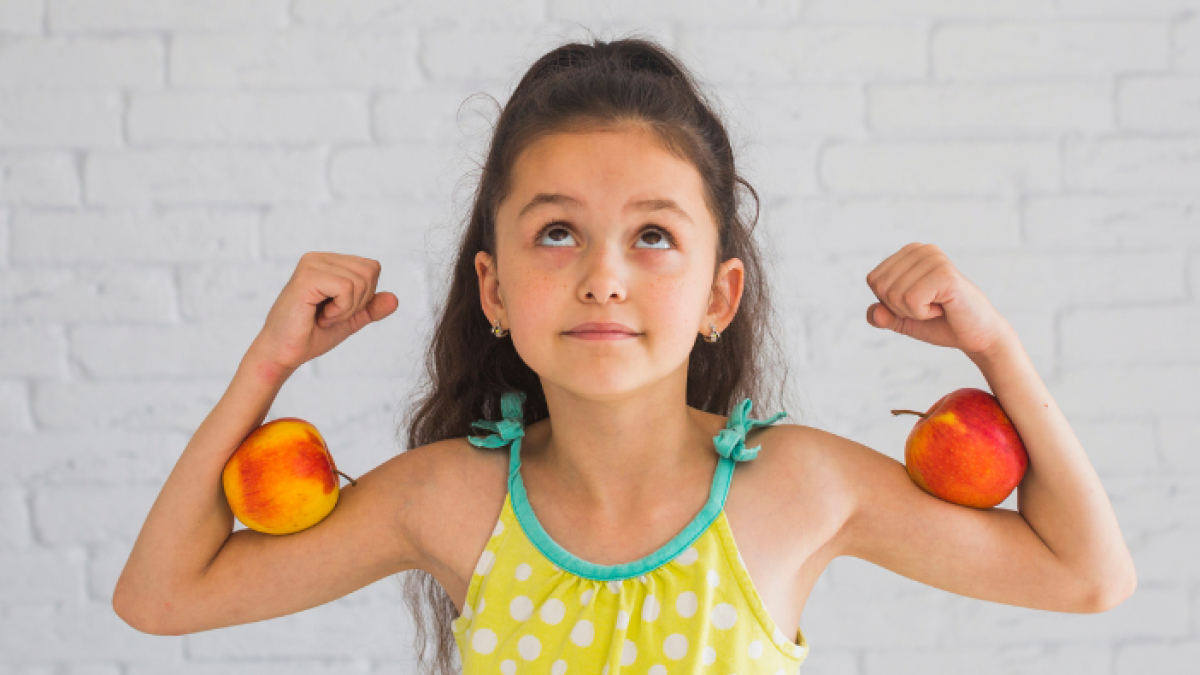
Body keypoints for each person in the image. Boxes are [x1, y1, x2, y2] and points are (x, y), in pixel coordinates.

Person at [112, 35, 1137, 675]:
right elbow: (162, 597)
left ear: (717, 295)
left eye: (653, 236)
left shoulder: (801, 489)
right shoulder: (448, 498)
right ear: (495, 289)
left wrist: (994, 347)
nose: (604, 276)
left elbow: (1088, 576)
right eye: (557, 233)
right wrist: (267, 365)